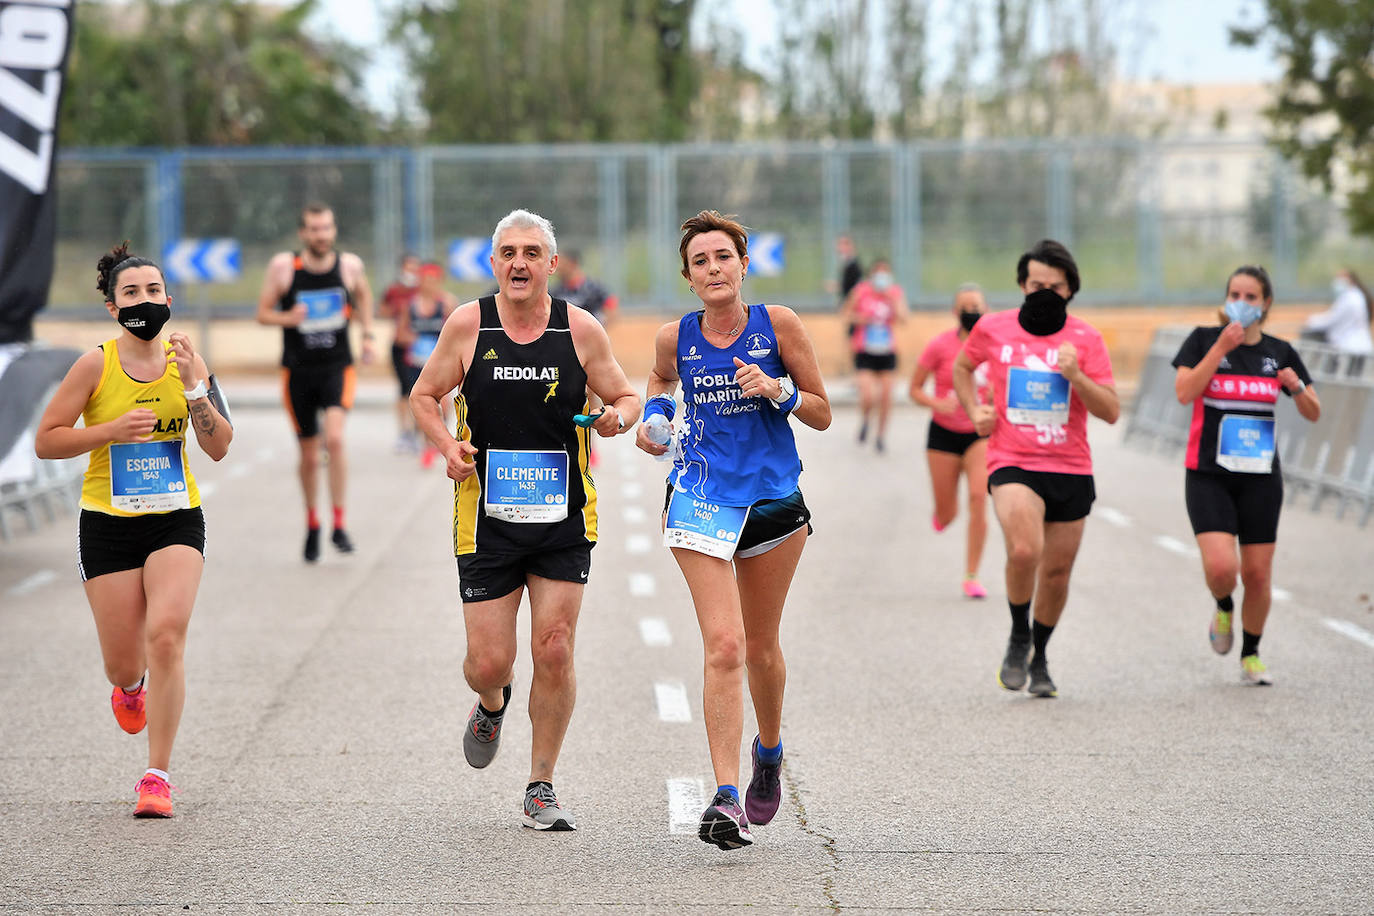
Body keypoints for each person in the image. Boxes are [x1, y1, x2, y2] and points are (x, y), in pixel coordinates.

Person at [409, 209, 640, 832]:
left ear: (552, 265)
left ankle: (542, 783)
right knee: (489, 662)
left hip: (564, 516)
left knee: (556, 648)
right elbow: (424, 396)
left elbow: (626, 396)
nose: (519, 263)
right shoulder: (468, 325)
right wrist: (446, 446)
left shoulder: (580, 330)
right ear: (493, 265)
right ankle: (491, 702)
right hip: (487, 520)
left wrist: (617, 417)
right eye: (508, 252)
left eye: (532, 253)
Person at [636, 210, 831, 850]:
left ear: (743, 266)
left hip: (773, 500)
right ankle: (724, 796)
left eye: (724, 257)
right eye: (701, 262)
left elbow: (823, 413)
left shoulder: (780, 326)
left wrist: (778, 390)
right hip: (699, 496)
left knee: (760, 648)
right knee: (723, 644)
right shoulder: (676, 337)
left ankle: (768, 750)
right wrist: (657, 420)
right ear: (688, 277)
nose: (714, 269)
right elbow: (662, 382)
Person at [34, 243, 234, 817]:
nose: (143, 301)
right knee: (125, 662)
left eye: (152, 291)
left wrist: (196, 387)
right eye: (130, 293)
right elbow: (48, 439)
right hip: (107, 525)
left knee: (167, 635)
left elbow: (219, 448)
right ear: (112, 307)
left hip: (175, 518)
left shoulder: (189, 362)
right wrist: (111, 430)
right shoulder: (95, 364)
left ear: (168, 300)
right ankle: (130, 688)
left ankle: (157, 776)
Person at [953, 239, 1119, 698]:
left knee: (1057, 573)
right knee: (1025, 551)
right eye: (1035, 284)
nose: (1043, 292)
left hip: (1070, 464)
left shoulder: (1086, 339)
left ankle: (1040, 654)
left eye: (1054, 286)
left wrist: (1077, 377)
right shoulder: (994, 328)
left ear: (1070, 289)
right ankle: (1018, 632)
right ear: (1023, 284)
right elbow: (962, 368)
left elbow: (1110, 411)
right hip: (1013, 459)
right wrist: (975, 411)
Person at [1172, 265, 1321, 685]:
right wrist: (1219, 349)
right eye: (1235, 294)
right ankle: (1223, 606)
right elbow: (1185, 392)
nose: (1242, 302)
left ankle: (1251, 653)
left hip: (1260, 477)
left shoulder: (1279, 351)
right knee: (1223, 569)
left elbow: (1314, 412)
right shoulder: (1203, 340)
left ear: (1266, 303)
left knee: (1257, 574)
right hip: (1208, 474)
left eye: (1251, 296)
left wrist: (1296, 388)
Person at [255, 203, 376, 563]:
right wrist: (287, 317)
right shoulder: (283, 267)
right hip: (298, 372)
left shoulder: (350, 266)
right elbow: (262, 313)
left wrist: (367, 335)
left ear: (333, 230)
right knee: (309, 454)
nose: (320, 235)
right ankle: (312, 523)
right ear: (303, 233)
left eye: (326, 228)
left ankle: (339, 523)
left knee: (335, 440)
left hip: (338, 368)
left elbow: (365, 296)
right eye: (313, 229)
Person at [910, 284, 991, 599]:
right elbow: (915, 388)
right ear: (955, 312)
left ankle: (972, 574)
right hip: (943, 434)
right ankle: (943, 513)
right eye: (966, 306)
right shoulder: (940, 346)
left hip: (980, 433)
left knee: (979, 497)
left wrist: (996, 403)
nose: (972, 311)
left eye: (977, 305)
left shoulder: (994, 346)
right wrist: (935, 403)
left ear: (986, 310)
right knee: (948, 512)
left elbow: (1008, 382)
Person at [841, 257, 908, 451]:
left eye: (885, 273)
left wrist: (893, 300)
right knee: (868, 395)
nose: (882, 277)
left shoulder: (894, 293)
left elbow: (904, 318)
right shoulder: (861, 291)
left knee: (887, 396)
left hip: (887, 351)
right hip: (865, 350)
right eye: (878, 273)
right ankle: (865, 420)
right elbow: (845, 313)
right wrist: (861, 319)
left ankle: (880, 435)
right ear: (871, 275)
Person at [398, 261, 460, 468]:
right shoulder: (411, 305)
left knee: (444, 403)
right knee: (421, 403)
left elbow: (458, 332)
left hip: (439, 361)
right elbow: (400, 334)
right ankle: (427, 444)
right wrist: (415, 341)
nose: (430, 285)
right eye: (426, 281)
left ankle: (439, 437)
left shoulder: (447, 303)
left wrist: (440, 346)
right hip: (416, 361)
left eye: (434, 281)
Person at [381, 253, 423, 452]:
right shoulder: (394, 291)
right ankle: (404, 432)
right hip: (401, 347)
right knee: (404, 388)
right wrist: (397, 312)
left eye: (415, 268)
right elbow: (382, 310)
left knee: (420, 390)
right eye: (408, 267)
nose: (412, 272)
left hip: (422, 348)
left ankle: (419, 431)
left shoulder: (423, 291)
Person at [1302, 268, 1372, 376]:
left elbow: (1332, 319)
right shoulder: (1355, 296)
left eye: (1341, 277)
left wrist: (1311, 321)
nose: (1337, 281)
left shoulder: (1350, 298)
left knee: (1348, 380)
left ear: (1350, 279)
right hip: (1358, 346)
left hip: (1350, 347)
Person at [551, 249, 618, 326]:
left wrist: (598, 327)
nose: (558, 268)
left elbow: (611, 306)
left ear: (573, 263)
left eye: (562, 264)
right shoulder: (556, 291)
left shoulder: (594, 288)